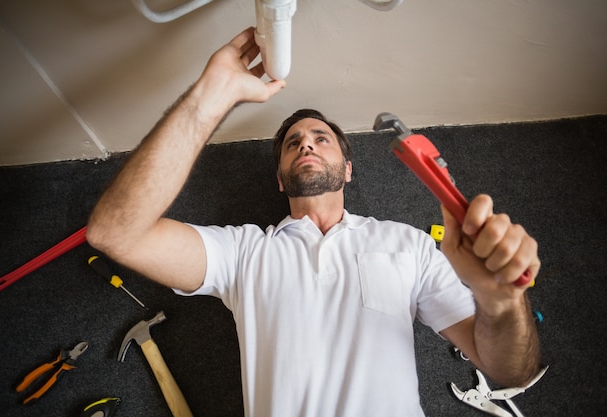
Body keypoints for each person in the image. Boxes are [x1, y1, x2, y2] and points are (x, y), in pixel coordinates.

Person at [87, 27, 542, 416]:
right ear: (281, 182)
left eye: (321, 139)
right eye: (293, 143)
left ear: (347, 169)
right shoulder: (244, 253)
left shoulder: (409, 245)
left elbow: (508, 369)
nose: (306, 145)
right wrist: (213, 95)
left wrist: (500, 300)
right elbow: (115, 232)